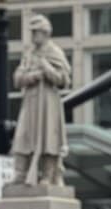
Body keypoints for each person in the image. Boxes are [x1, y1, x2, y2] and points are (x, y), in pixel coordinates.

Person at [11, 14, 72, 186]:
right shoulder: (29, 54)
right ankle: (21, 173)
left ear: (45, 33)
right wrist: (33, 76)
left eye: (35, 32)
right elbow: (17, 78)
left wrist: (46, 68)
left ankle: (48, 174)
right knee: (23, 136)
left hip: (48, 102)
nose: (33, 36)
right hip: (30, 101)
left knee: (49, 139)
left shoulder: (54, 52)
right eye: (32, 32)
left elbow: (64, 80)